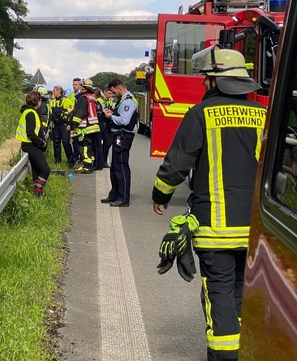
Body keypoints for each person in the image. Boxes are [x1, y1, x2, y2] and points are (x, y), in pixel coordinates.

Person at [151, 47, 267, 361]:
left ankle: (224, 356)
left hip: (215, 230)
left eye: (206, 78)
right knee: (243, 296)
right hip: (256, 229)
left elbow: (176, 165)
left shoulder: (200, 114)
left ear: (215, 81)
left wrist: (160, 195)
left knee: (219, 296)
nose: (203, 84)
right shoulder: (262, 115)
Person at [101, 79, 138, 206]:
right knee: (115, 167)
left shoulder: (128, 101)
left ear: (119, 89)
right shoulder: (123, 100)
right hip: (118, 136)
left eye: (113, 92)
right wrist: (112, 113)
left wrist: (110, 116)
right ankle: (114, 195)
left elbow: (124, 120)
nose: (112, 94)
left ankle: (123, 198)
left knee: (121, 167)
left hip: (123, 136)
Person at [16, 90, 50, 196]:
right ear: (37, 101)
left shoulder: (27, 111)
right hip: (31, 145)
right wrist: (42, 143)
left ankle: (37, 193)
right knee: (45, 170)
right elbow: (30, 133)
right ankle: (38, 191)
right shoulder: (31, 113)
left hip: (28, 145)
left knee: (36, 170)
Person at [67, 78, 100, 174]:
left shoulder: (83, 98)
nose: (80, 88)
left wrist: (74, 125)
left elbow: (79, 113)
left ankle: (87, 167)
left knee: (84, 147)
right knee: (89, 147)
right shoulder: (92, 97)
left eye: (81, 86)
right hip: (92, 126)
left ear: (84, 88)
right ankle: (88, 165)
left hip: (85, 127)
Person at [48, 85, 75, 165]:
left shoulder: (66, 101)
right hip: (55, 125)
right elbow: (50, 114)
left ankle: (70, 160)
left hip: (64, 124)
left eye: (54, 90)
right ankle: (57, 161)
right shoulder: (52, 102)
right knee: (56, 143)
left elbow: (71, 113)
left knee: (66, 142)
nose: (53, 92)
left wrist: (70, 124)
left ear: (59, 91)